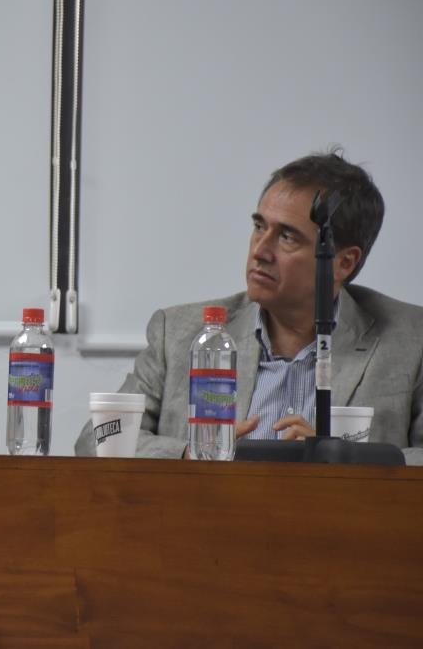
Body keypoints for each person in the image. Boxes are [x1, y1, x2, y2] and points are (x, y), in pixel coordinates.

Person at [75, 149, 423, 464]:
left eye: (287, 236)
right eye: (259, 227)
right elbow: (97, 438)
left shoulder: (409, 340)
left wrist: (341, 456)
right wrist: (191, 453)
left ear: (343, 263)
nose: (260, 250)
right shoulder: (180, 333)